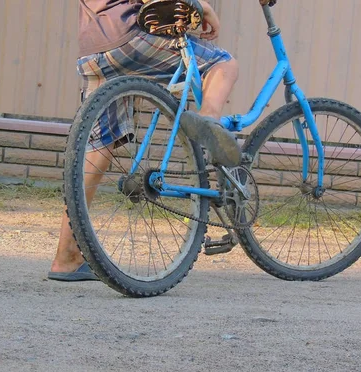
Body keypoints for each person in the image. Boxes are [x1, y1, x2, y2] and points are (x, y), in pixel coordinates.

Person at [48, 0, 254, 281]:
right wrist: (204, 8)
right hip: (132, 36)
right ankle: (208, 121)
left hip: (94, 47)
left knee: (98, 146)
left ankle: (66, 257)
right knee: (223, 63)